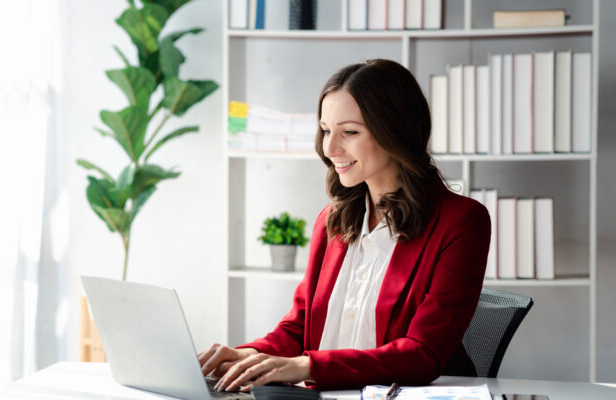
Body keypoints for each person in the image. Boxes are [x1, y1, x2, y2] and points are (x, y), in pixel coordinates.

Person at [198, 59, 491, 391]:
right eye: (325, 130)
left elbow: (422, 354)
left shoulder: (461, 222)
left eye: (349, 132)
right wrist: (246, 355)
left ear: (396, 131)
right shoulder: (332, 221)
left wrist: (306, 366)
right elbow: (299, 327)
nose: (329, 148)